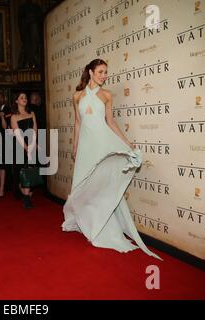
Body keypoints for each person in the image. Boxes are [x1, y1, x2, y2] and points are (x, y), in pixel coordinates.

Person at [62, 59, 161, 260]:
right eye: (100, 72)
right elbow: (78, 122)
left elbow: (111, 122)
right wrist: (74, 146)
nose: (104, 75)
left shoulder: (106, 95)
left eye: (106, 72)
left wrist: (127, 143)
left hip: (101, 145)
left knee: (100, 185)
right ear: (90, 72)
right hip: (85, 148)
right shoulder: (77, 96)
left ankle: (102, 227)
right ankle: (86, 222)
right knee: (83, 185)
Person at [10, 92, 37, 209]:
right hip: (20, 147)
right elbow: (18, 135)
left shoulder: (31, 113)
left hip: (31, 145)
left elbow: (35, 129)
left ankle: (26, 198)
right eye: (21, 98)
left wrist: (33, 144)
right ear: (16, 101)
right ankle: (26, 197)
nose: (24, 99)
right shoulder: (14, 117)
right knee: (22, 173)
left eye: (25, 97)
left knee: (30, 172)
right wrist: (27, 148)